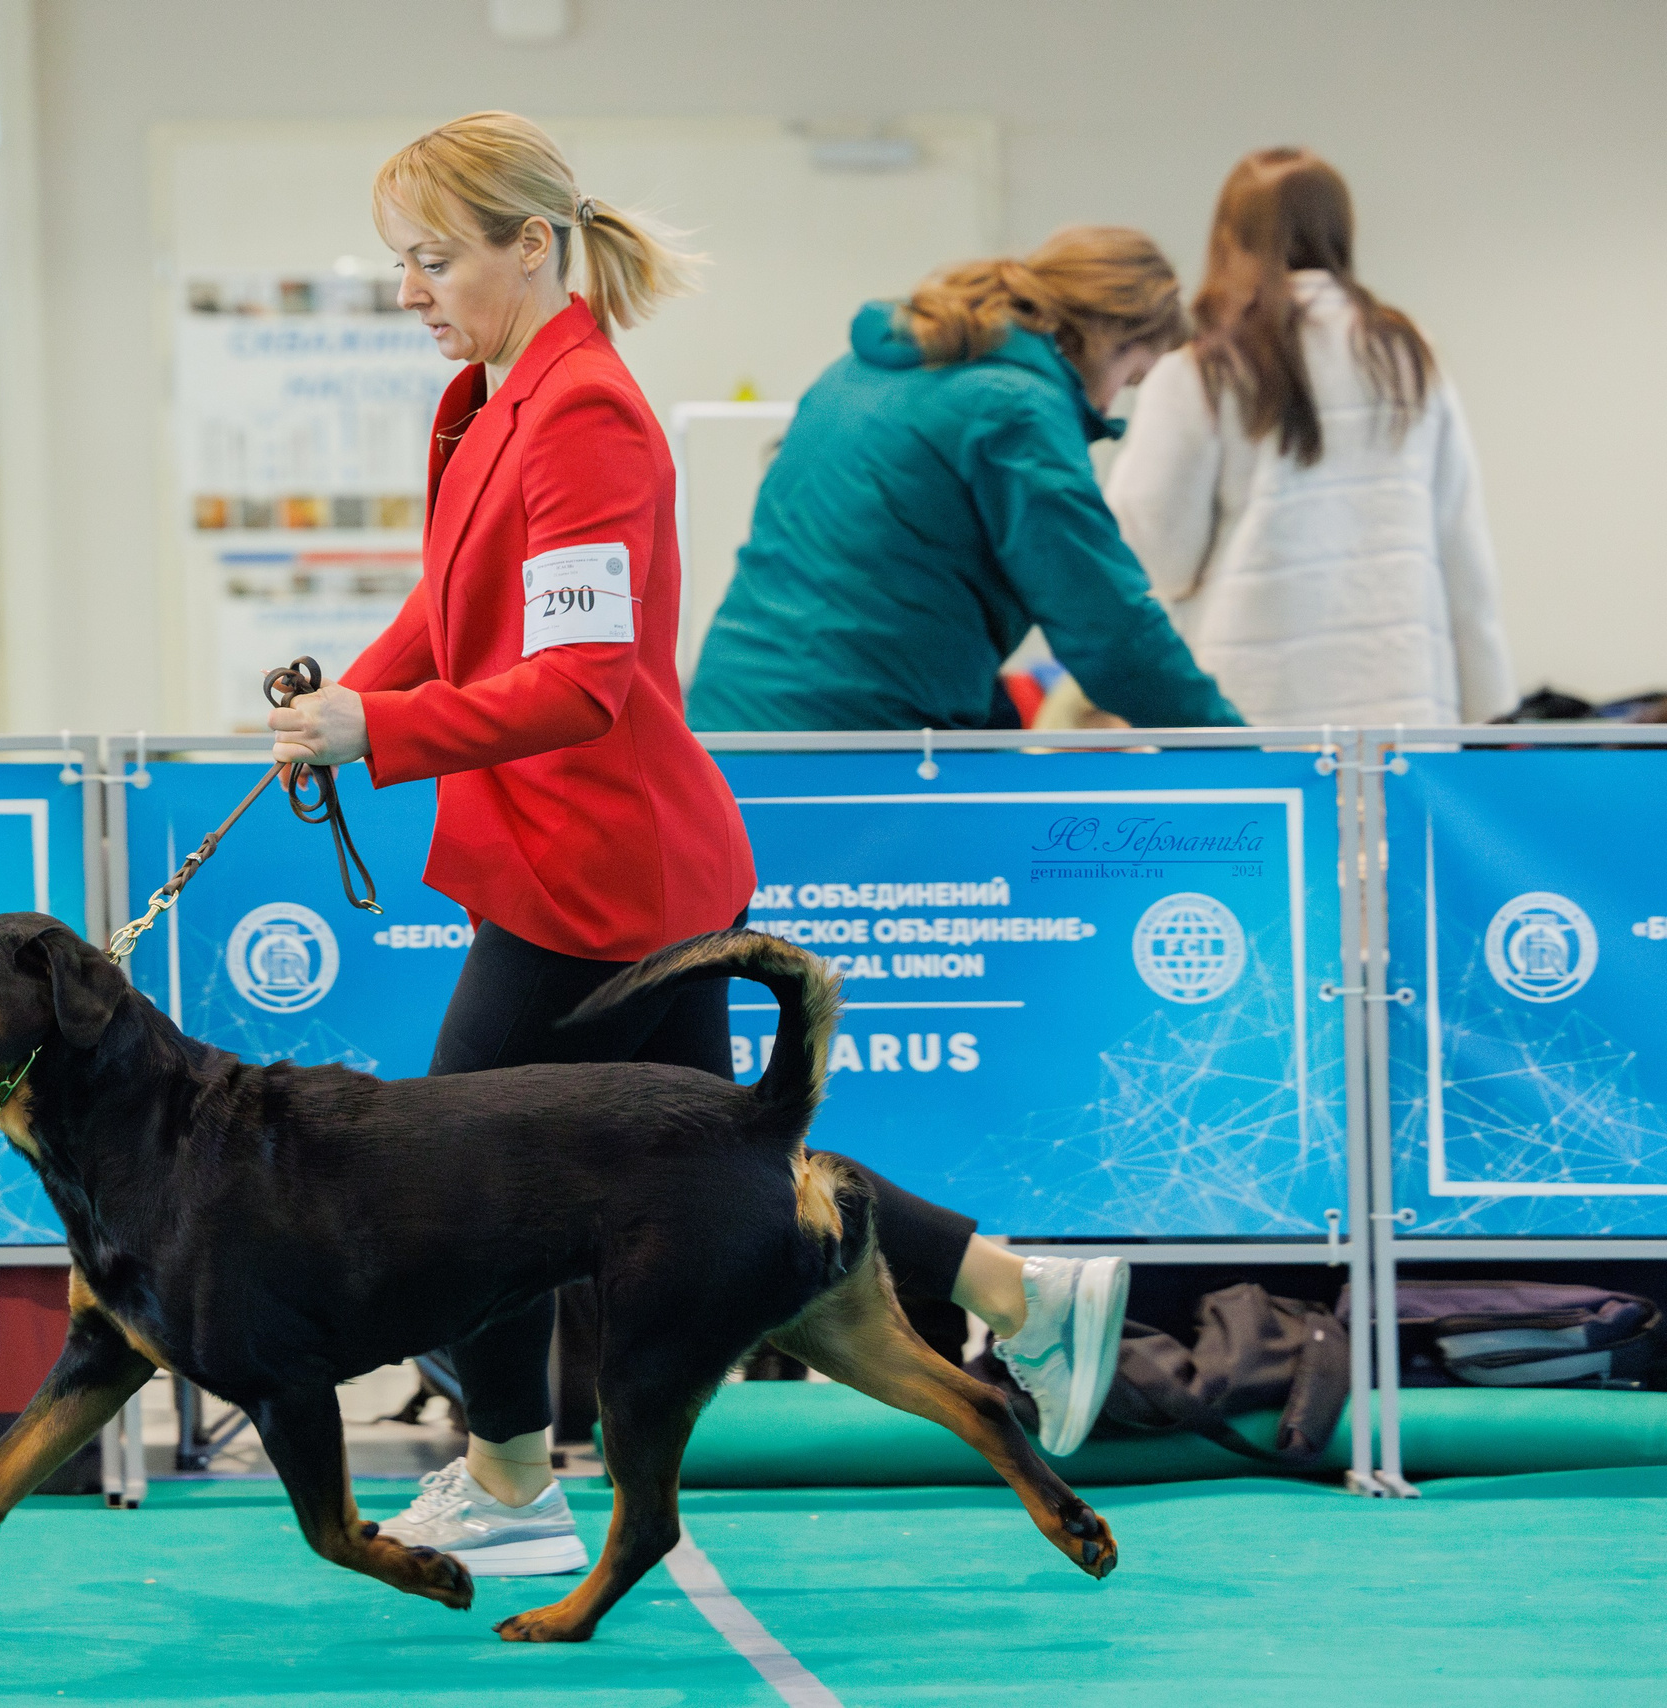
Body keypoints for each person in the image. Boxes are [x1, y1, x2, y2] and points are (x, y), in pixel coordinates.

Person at [267, 113, 1132, 1582]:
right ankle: (1019, 1293)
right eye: (397, 263)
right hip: (583, 864)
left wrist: (384, 736)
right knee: (733, 1173)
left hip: (603, 876)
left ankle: (513, 1483)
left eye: (430, 260)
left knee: (455, 1184)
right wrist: (344, 697)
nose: (408, 291)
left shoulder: (586, 412)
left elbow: (585, 684)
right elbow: (450, 611)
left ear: (527, 246)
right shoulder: (488, 394)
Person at [686, 228, 1243, 733]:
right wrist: (1245, 757)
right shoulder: (1014, 410)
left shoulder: (859, 371)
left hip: (732, 717)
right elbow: (1108, 628)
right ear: (1109, 339)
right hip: (850, 737)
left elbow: (898, 582)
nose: (1109, 404)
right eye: (1131, 378)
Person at [1107, 149, 1514, 726]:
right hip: (1402, 701)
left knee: (1269, 823)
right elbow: (1460, 540)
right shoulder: (1408, 354)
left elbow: (1155, 549)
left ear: (1229, 238)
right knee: (1384, 820)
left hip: (1250, 705)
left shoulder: (1203, 369)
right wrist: (1489, 708)